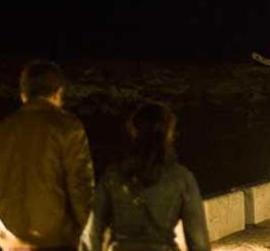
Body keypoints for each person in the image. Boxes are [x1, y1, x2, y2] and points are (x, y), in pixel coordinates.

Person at [0, 60, 94, 251]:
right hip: (56, 240)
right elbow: (80, 186)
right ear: (59, 92)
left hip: (9, 241)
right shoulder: (69, 128)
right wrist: (91, 232)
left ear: (24, 95)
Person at [80, 101, 210, 251]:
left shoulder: (113, 176)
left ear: (133, 132)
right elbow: (198, 241)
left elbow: (92, 234)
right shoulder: (181, 178)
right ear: (168, 134)